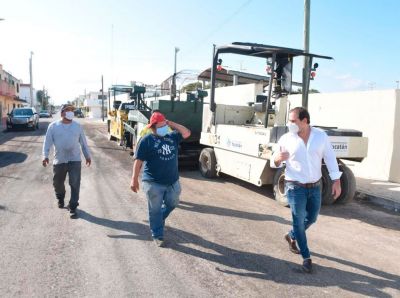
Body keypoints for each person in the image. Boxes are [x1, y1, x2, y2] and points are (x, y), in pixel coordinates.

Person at [271, 107, 341, 273]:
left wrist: (336, 180)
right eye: (290, 120)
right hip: (295, 187)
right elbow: (272, 161)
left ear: (305, 121)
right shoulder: (286, 138)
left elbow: (330, 158)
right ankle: (306, 257)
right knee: (298, 221)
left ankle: (291, 235)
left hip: (315, 186)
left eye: (293, 121)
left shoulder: (320, 136)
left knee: (312, 218)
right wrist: (277, 159)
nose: (290, 124)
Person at [130, 112, 191, 247]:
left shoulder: (172, 136)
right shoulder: (146, 140)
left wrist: (170, 123)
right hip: (153, 182)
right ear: (153, 127)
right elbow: (138, 160)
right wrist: (134, 179)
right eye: (161, 126)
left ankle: (159, 219)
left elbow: (187, 133)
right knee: (154, 209)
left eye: (165, 124)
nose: (164, 128)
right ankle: (157, 234)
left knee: (173, 203)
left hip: (172, 181)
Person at [42, 104, 91, 216]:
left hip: (75, 159)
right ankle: (60, 197)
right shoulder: (53, 126)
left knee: (75, 183)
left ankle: (73, 206)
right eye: (68, 110)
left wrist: (87, 156)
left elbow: (83, 142)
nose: (71, 112)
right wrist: (44, 156)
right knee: (57, 183)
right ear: (62, 113)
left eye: (72, 110)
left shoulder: (77, 126)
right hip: (59, 159)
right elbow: (47, 143)